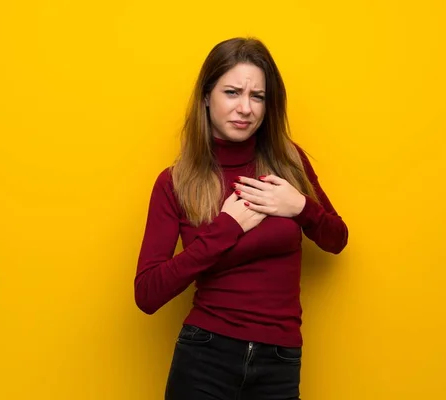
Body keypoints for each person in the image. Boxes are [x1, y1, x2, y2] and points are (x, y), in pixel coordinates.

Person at [134, 37, 349, 400]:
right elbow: (147, 293)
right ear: (206, 96)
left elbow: (337, 239)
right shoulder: (175, 182)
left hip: (279, 360)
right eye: (232, 92)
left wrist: (301, 207)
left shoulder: (288, 163)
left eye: (258, 96)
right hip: (205, 355)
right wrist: (226, 228)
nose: (245, 108)